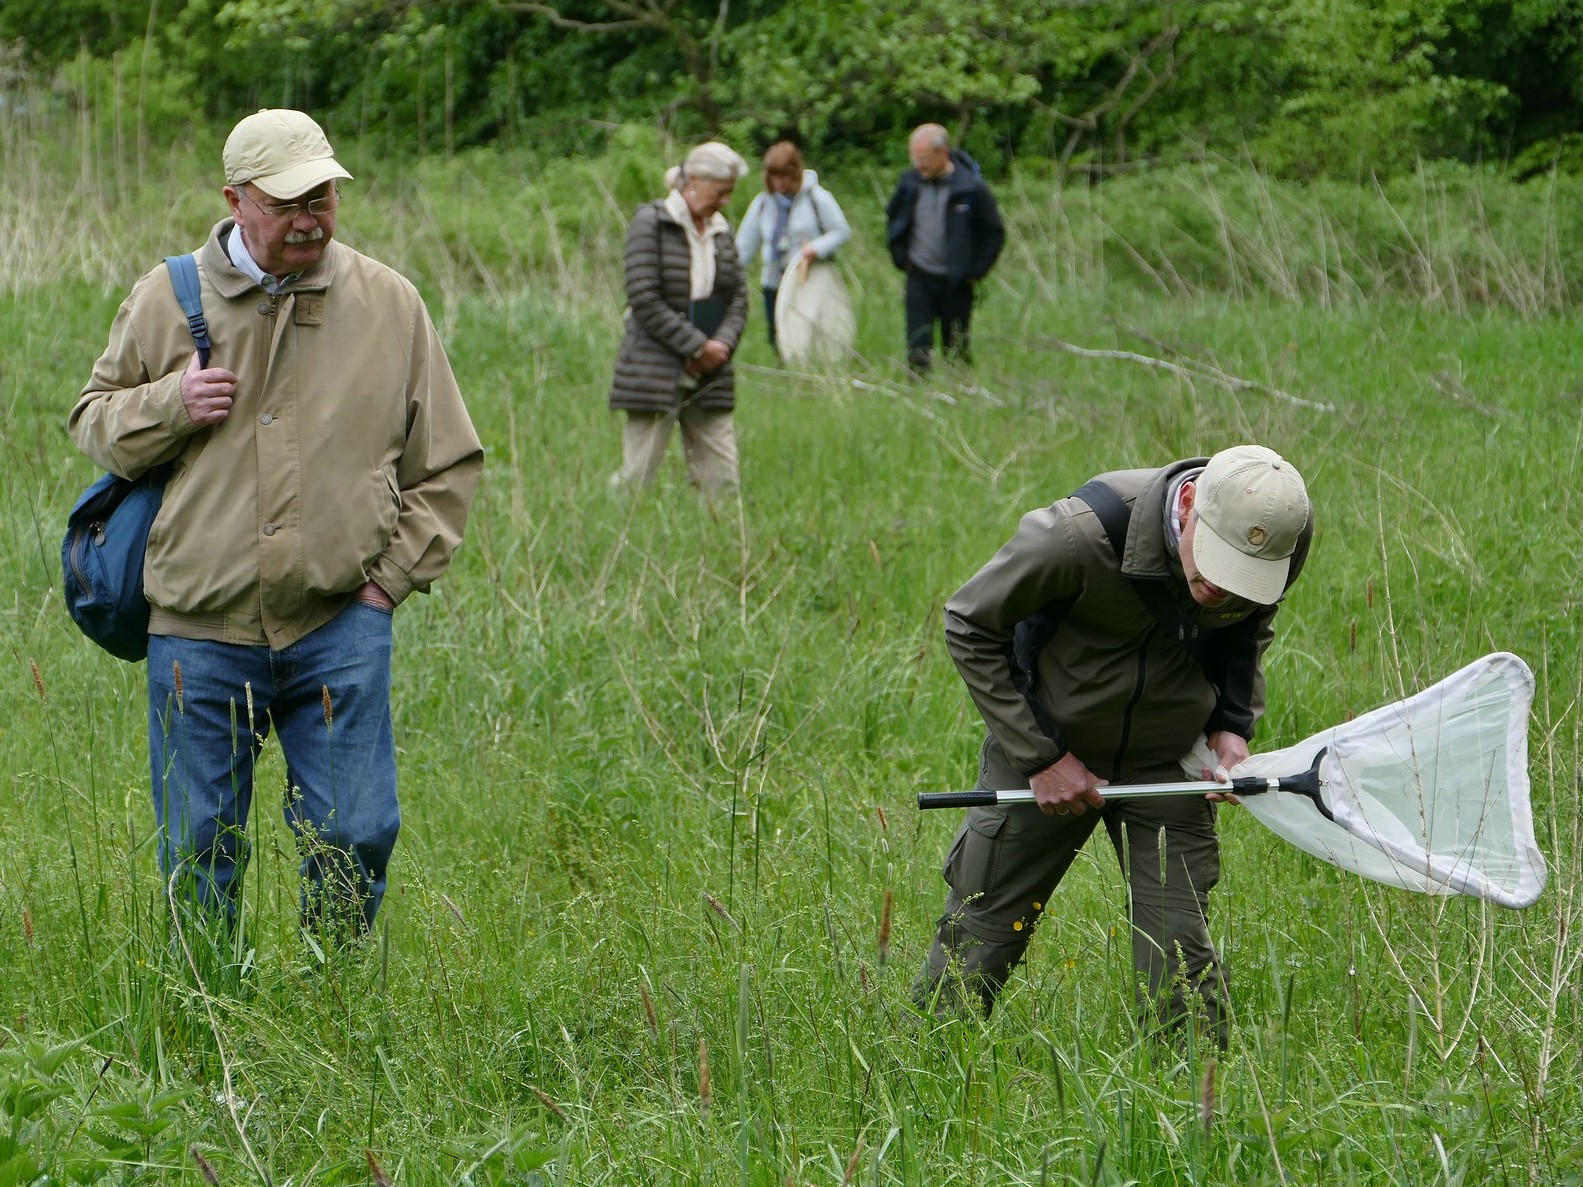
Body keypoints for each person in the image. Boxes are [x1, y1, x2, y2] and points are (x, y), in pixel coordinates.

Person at [68, 109, 484, 939]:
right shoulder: (166, 296)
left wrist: (385, 585)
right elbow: (92, 421)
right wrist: (170, 403)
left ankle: (330, 1001)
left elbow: (447, 463)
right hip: (198, 626)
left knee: (356, 831)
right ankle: (208, 1009)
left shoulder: (389, 303)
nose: (309, 217)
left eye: (322, 195)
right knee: (198, 846)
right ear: (236, 200)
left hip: (340, 621)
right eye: (287, 200)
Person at [915, 446, 1314, 1048]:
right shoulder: (1077, 536)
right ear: (1188, 506)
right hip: (1047, 744)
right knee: (984, 928)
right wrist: (1042, 757)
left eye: (1239, 577)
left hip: (1168, 760)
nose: (1217, 589)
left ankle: (1193, 1108)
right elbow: (970, 622)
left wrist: (1233, 725)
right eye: (1210, 567)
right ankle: (918, 1068)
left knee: (1179, 954)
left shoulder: (1280, 533)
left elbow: (1249, 626)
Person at [608, 141, 750, 499]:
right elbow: (643, 297)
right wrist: (696, 345)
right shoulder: (651, 222)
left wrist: (721, 347)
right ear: (696, 180)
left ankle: (723, 545)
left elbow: (738, 297)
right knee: (637, 476)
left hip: (711, 371)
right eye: (722, 192)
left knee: (723, 479)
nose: (726, 201)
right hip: (655, 367)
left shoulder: (722, 230)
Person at [885, 123, 1004, 373]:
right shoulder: (909, 183)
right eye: (915, 158)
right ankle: (918, 397)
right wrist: (901, 256)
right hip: (919, 277)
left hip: (956, 282)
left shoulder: (970, 188)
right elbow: (893, 217)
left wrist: (975, 270)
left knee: (957, 348)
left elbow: (994, 232)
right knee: (917, 346)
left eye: (924, 159)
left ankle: (960, 396)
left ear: (943, 153)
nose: (919, 165)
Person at [735, 141, 851, 354]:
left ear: (796, 173)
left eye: (786, 176)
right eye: (775, 177)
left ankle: (813, 374)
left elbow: (841, 231)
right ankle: (785, 377)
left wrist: (815, 249)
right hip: (773, 281)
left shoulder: (817, 198)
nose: (781, 182)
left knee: (806, 332)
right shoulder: (762, 203)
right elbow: (744, 245)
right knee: (777, 334)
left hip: (806, 279)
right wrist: (730, 274)